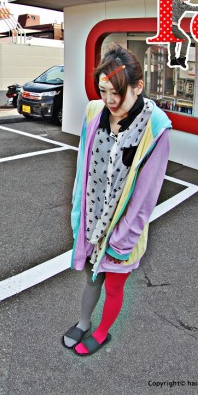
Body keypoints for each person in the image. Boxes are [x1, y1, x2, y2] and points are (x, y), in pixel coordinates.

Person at [62, 44, 171, 356]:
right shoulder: (94, 111)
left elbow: (146, 196)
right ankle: (83, 322)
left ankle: (101, 332)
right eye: (103, 91)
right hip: (93, 220)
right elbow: (82, 168)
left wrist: (122, 243)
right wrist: (78, 215)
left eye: (117, 93)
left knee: (113, 284)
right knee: (91, 277)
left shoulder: (156, 127)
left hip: (124, 230)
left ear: (138, 87)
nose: (109, 100)